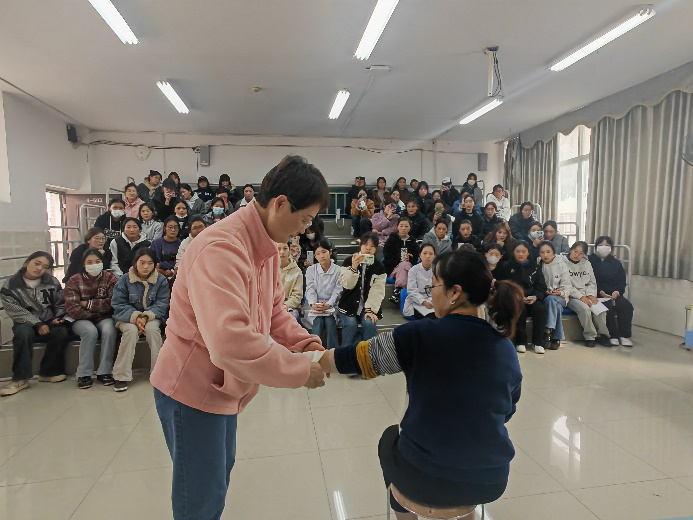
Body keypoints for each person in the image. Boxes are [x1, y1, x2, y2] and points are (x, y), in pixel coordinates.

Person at [150, 155, 328, 519]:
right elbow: (229, 341)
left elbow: (274, 311)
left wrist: (304, 342)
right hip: (192, 390)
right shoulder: (222, 247)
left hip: (224, 389)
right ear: (280, 204)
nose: (304, 229)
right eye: (305, 219)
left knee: (216, 481)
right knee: (201, 499)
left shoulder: (265, 247)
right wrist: (298, 370)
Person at [317, 250, 523, 518]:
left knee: (389, 438)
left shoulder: (419, 335)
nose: (431, 294)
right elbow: (507, 411)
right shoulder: (505, 348)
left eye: (433, 286)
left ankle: (404, 514)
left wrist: (310, 359)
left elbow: (354, 359)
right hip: (490, 480)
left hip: (424, 478)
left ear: (454, 292)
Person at [0, 252, 70, 396]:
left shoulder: (52, 281)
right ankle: (20, 378)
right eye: (37, 263)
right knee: (22, 334)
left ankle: (49, 372)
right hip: (25, 322)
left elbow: (60, 303)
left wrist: (57, 318)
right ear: (27, 262)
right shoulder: (10, 285)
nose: (39, 269)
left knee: (61, 331)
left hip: (48, 320)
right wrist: (37, 324)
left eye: (45, 267)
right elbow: (16, 311)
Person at [111, 248, 170, 392]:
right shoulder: (124, 280)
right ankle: (121, 376)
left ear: (155, 264)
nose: (146, 267)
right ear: (135, 263)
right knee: (131, 331)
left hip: (152, 317)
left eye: (150, 263)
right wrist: (136, 316)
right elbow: (119, 303)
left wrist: (145, 316)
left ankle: (158, 373)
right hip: (126, 317)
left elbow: (162, 304)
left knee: (153, 330)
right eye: (142, 262)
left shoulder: (161, 280)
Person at [64, 249, 118, 389]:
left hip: (104, 318)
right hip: (80, 319)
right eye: (89, 262)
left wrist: (87, 304)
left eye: (97, 261)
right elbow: (73, 308)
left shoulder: (110, 278)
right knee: (90, 331)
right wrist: (97, 310)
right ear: (84, 264)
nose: (94, 264)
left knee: (109, 329)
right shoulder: (74, 280)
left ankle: (105, 371)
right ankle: (84, 374)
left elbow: (113, 303)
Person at [496, 241, 549, 354]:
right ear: (513, 252)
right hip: (515, 298)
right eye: (518, 251)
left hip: (532, 297)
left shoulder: (535, 267)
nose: (521, 254)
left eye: (523, 251)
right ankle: (521, 342)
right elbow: (504, 286)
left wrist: (535, 297)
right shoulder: (507, 266)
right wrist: (516, 296)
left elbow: (541, 286)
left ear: (528, 253)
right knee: (519, 310)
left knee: (540, 310)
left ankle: (538, 342)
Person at [337, 232, 386, 346]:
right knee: (351, 325)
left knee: (369, 324)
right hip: (348, 304)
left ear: (376, 249)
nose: (368, 248)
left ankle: (366, 353)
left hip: (368, 305)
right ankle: (346, 353)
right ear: (360, 245)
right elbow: (347, 285)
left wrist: (370, 310)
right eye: (365, 244)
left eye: (372, 246)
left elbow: (378, 291)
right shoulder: (348, 261)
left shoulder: (379, 267)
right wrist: (354, 268)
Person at [589, 235, 634, 347]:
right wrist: (599, 291)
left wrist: (617, 292)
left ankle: (624, 335)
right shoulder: (589, 261)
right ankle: (612, 335)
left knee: (626, 306)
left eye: (607, 245)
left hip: (613, 294)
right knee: (608, 307)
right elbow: (587, 280)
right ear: (596, 247)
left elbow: (621, 281)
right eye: (601, 245)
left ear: (611, 248)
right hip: (596, 294)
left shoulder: (616, 263)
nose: (603, 247)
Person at [566, 241, 610, 348]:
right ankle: (590, 336)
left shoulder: (587, 264)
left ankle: (603, 335)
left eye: (581, 253)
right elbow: (565, 285)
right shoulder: (562, 263)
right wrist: (581, 297)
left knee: (600, 310)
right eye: (575, 251)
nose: (577, 255)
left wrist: (591, 294)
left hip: (586, 293)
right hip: (571, 295)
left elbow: (592, 282)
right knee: (585, 309)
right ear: (570, 250)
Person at [304, 240, 342, 349]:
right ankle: (314, 351)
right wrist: (314, 304)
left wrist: (329, 304)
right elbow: (310, 289)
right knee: (318, 321)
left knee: (330, 321)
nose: (322, 256)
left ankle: (333, 352)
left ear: (330, 252)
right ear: (315, 256)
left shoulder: (338, 270)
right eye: (318, 254)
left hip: (332, 305)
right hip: (314, 306)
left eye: (324, 252)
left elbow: (337, 291)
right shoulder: (311, 270)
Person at [538, 241, 570, 350]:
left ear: (553, 252)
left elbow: (567, 286)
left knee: (551, 300)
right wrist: (545, 291)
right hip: (546, 296)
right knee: (556, 306)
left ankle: (548, 330)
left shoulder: (562, 264)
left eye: (548, 252)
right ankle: (556, 337)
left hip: (561, 296)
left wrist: (560, 293)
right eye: (542, 252)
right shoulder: (538, 263)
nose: (545, 255)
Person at [383, 218, 420, 302]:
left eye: (406, 226)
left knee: (406, 264)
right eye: (401, 226)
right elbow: (387, 257)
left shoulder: (413, 242)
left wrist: (410, 258)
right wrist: (399, 259)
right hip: (393, 269)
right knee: (404, 264)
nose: (403, 228)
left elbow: (416, 260)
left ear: (410, 228)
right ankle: (402, 291)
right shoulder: (391, 240)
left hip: (409, 270)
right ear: (397, 227)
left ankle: (398, 291)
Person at [403, 243, 436, 319]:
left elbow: (440, 289)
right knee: (431, 317)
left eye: (431, 254)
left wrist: (433, 301)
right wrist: (424, 302)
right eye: (425, 253)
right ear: (420, 255)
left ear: (434, 256)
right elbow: (412, 291)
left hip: (433, 301)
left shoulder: (437, 270)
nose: (427, 256)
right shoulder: (413, 270)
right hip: (416, 302)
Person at [277, 241, 303, 320]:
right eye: (279, 249)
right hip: (271, 307)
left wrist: (285, 305)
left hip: (289, 307)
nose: (282, 252)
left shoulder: (297, 271)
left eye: (285, 248)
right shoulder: (268, 268)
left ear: (289, 250)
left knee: (289, 318)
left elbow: (297, 296)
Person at [151, 217, 182, 282]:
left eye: (175, 227)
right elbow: (153, 261)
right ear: (164, 229)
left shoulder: (181, 244)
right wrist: (162, 271)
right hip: (157, 273)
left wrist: (164, 266)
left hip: (176, 275)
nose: (173, 230)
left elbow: (180, 261)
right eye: (170, 227)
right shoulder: (156, 243)